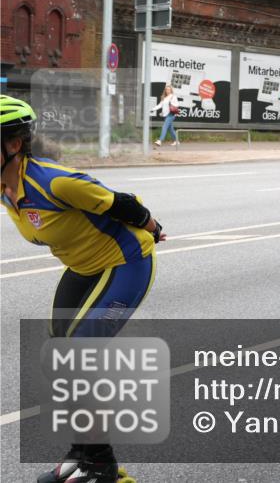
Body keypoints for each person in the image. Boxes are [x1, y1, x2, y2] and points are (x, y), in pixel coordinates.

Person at [0, 95, 164, 483]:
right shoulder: (5, 187)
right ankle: (81, 455)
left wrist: (154, 227)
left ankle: (104, 468)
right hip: (83, 268)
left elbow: (121, 204)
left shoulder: (53, 181)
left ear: (13, 144)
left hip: (125, 263)